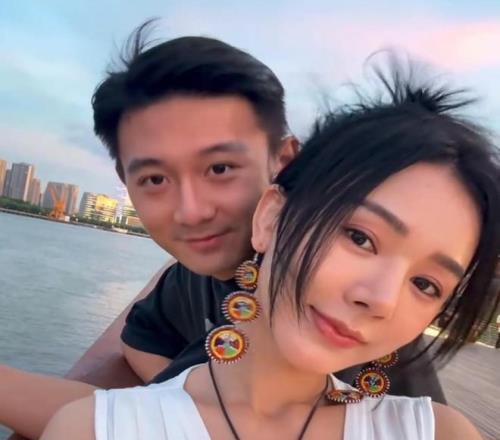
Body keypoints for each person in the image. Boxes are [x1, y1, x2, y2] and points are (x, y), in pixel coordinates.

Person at [0, 23, 440, 439]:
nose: (191, 212)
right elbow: (140, 343)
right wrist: (179, 391)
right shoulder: (194, 276)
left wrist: (180, 400)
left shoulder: (318, 311)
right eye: (155, 179)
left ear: (285, 162)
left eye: (220, 169)